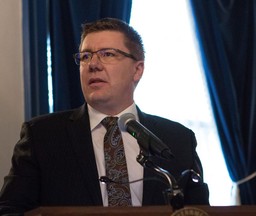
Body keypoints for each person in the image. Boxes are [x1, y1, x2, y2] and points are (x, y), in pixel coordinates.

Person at [0, 17, 209, 215]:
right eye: (85, 56)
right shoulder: (42, 136)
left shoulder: (178, 140)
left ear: (137, 70)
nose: (93, 64)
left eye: (107, 54)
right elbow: (10, 209)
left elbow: (199, 211)